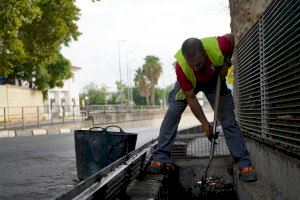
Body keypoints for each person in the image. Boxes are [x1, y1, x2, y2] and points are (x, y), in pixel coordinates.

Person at [148, 34, 257, 182]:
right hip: (190, 83)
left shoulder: (219, 46)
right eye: (191, 64)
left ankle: (244, 165)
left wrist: (226, 63)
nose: (195, 67)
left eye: (198, 64)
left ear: (204, 53)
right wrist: (205, 124)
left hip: (213, 80)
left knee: (228, 119)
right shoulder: (182, 67)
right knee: (172, 113)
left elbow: (232, 38)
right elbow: (191, 98)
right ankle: (161, 159)